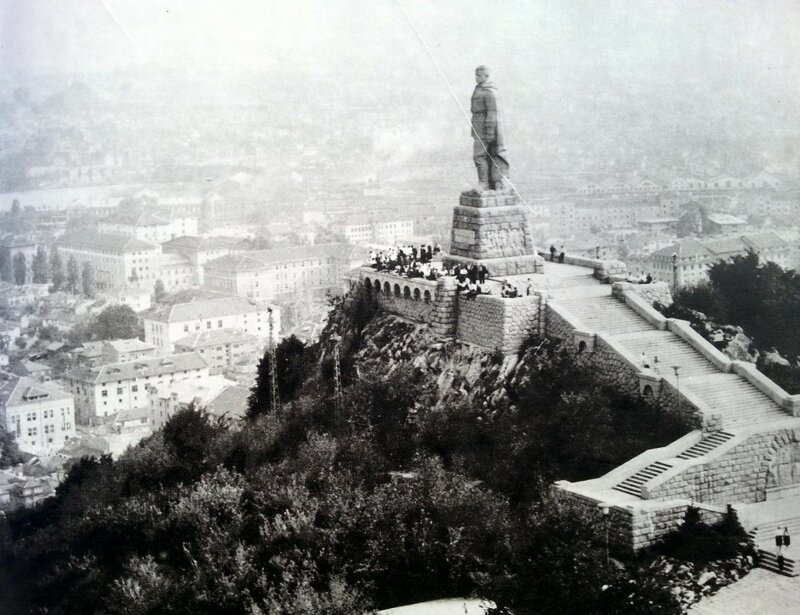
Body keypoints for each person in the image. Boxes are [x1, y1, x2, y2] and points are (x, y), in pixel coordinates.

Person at [471, 65, 509, 191]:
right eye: (476, 75)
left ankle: (485, 182)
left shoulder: (489, 92)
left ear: (486, 76)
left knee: (480, 155)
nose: (476, 78)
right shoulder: (479, 89)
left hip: (485, 127)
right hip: (478, 126)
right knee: (482, 155)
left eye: (479, 75)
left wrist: (490, 132)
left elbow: (492, 113)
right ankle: (487, 182)